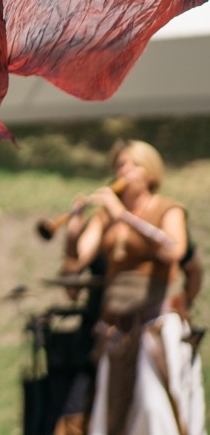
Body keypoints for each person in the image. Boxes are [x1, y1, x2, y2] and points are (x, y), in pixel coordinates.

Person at [65, 140, 203, 435]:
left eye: (133, 164)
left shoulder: (168, 209)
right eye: (119, 165)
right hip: (118, 330)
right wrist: (73, 231)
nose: (124, 171)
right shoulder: (104, 216)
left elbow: (174, 250)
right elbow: (77, 262)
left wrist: (124, 216)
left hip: (156, 325)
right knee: (112, 417)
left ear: (150, 172)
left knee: (155, 412)